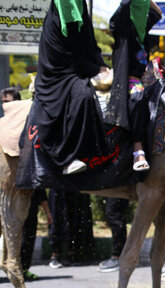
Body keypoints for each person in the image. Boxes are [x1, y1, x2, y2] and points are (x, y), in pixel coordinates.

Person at [34, 0, 109, 175]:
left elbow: (91, 45)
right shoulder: (54, 24)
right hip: (58, 77)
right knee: (83, 96)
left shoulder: (81, 12)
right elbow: (68, 59)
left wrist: (102, 65)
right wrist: (95, 69)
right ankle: (67, 157)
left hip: (79, 70)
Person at [105, 0, 162, 172]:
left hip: (146, 79)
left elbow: (157, 13)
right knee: (137, 96)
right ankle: (138, 149)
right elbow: (118, 14)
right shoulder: (122, 28)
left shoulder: (142, 31)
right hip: (128, 80)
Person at [20, 190, 52, 281]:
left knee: (27, 239)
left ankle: (23, 269)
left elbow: (41, 193)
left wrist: (47, 212)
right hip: (12, 209)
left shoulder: (33, 177)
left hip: (30, 209)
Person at [98, 198, 130, 272]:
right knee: (114, 212)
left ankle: (118, 257)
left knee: (114, 212)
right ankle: (119, 256)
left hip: (119, 186)